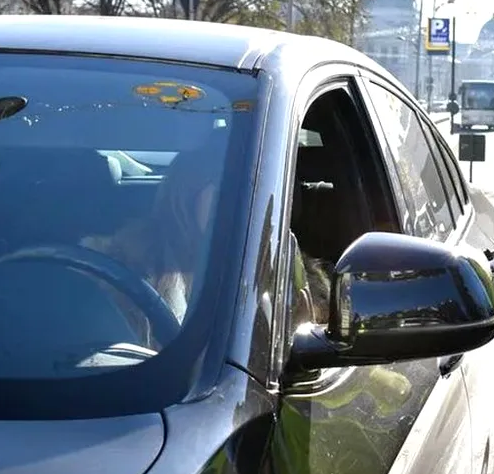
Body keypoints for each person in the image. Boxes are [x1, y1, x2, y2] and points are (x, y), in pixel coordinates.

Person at [84, 139, 334, 347]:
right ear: (186, 196)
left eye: (253, 194)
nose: (243, 205)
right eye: (226, 190)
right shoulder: (119, 265)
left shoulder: (283, 272)